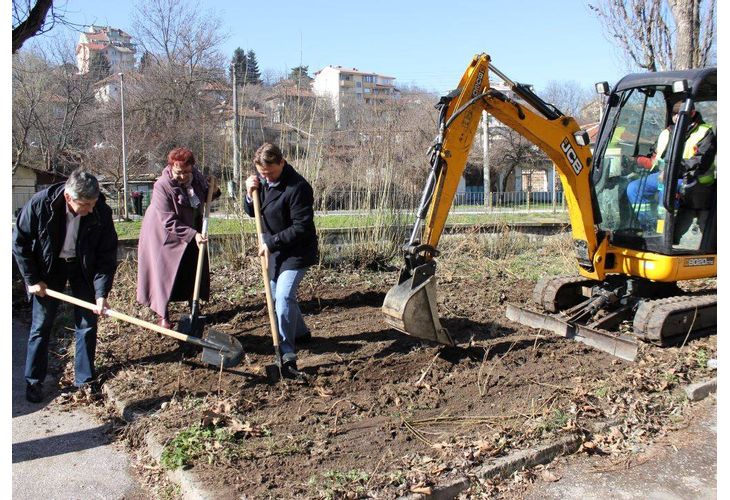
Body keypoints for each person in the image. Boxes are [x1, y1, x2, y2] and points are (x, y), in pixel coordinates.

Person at [12, 168, 118, 403]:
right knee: (41, 325)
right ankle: (34, 381)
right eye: (86, 204)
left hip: (83, 268)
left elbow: (106, 255)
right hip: (48, 269)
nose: (91, 208)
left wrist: (101, 293)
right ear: (69, 197)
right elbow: (19, 243)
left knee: (87, 323)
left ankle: (85, 380)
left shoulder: (100, 211)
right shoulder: (41, 205)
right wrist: (32, 280)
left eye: (94, 202)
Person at [244, 143, 318, 378]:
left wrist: (271, 242)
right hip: (275, 252)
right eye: (262, 174)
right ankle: (302, 333)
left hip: (297, 251)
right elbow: (253, 212)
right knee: (278, 296)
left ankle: (287, 354)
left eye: (270, 173)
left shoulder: (298, 187)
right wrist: (249, 194)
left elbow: (301, 226)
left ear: (282, 163)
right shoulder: (262, 181)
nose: (266, 177)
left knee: (283, 297)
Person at [136, 147, 218, 329]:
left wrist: (215, 188)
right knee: (163, 273)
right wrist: (193, 234)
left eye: (186, 172)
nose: (182, 176)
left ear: (192, 167)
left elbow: (207, 195)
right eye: (178, 172)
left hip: (191, 228)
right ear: (171, 167)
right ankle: (162, 315)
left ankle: (193, 307)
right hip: (162, 234)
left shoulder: (196, 177)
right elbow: (168, 220)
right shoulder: (162, 185)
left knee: (192, 265)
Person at [626, 100, 716, 231]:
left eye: (680, 114)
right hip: (665, 175)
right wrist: (635, 161)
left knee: (666, 193)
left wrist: (672, 171)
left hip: (693, 178)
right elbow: (655, 159)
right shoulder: (666, 133)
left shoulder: (705, 132)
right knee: (633, 188)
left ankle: (665, 231)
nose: (676, 117)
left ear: (692, 113)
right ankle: (648, 226)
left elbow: (701, 161)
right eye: (674, 114)